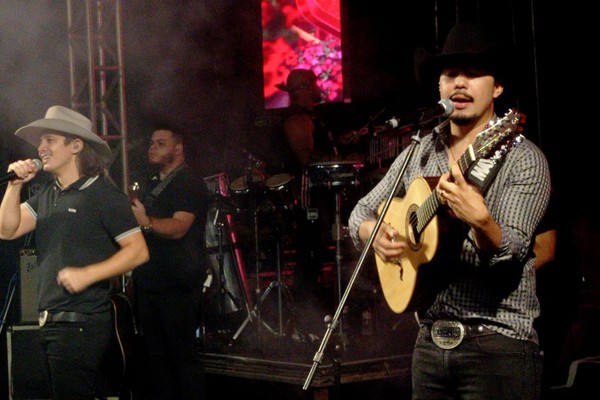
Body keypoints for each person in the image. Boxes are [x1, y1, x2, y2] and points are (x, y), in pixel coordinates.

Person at [348, 23, 551, 400]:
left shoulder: (522, 159)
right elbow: (359, 213)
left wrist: (482, 222)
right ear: (439, 88)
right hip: (428, 345)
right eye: (450, 75)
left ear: (498, 88)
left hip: (497, 346)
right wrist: (374, 235)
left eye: (473, 74)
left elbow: (513, 252)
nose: (460, 83)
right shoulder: (420, 150)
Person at [0, 105, 149, 399]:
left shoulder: (103, 195)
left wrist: (88, 274)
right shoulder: (48, 193)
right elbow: (7, 230)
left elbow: (139, 251)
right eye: (41, 141)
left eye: (50, 140)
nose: (40, 148)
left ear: (76, 146)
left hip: (82, 322)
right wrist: (15, 186)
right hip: (49, 320)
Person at [130, 125, 209, 400]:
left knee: (181, 357)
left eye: (160, 143)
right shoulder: (150, 183)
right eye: (152, 142)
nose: (153, 147)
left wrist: (146, 223)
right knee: (155, 359)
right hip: (150, 282)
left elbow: (178, 227)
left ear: (178, 149)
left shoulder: (190, 184)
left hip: (178, 284)